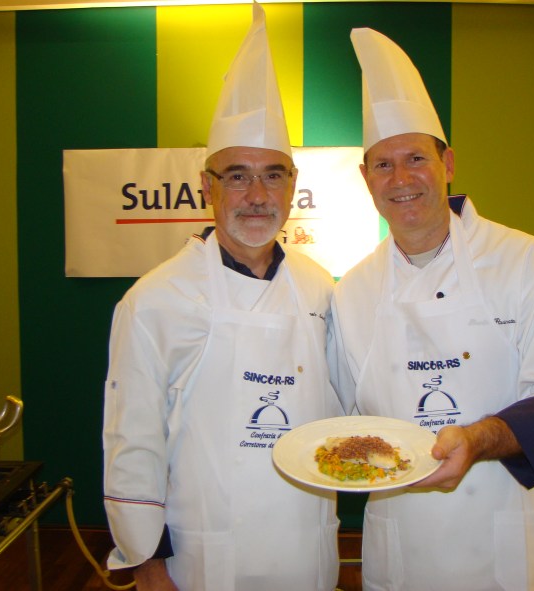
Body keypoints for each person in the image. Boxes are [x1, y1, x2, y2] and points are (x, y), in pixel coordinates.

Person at [329, 28, 534, 591]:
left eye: (416, 158)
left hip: (510, 540)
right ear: (365, 179)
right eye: (383, 165)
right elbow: (342, 415)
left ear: (448, 163)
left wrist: (479, 439)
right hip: (404, 545)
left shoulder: (523, 260)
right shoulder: (352, 291)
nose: (401, 180)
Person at [102, 4, 343, 590]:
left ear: (293, 185)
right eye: (237, 175)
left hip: (305, 547)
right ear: (207, 186)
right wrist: (146, 562)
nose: (257, 195)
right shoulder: (153, 300)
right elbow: (132, 441)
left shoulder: (322, 289)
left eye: (273, 174)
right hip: (202, 554)